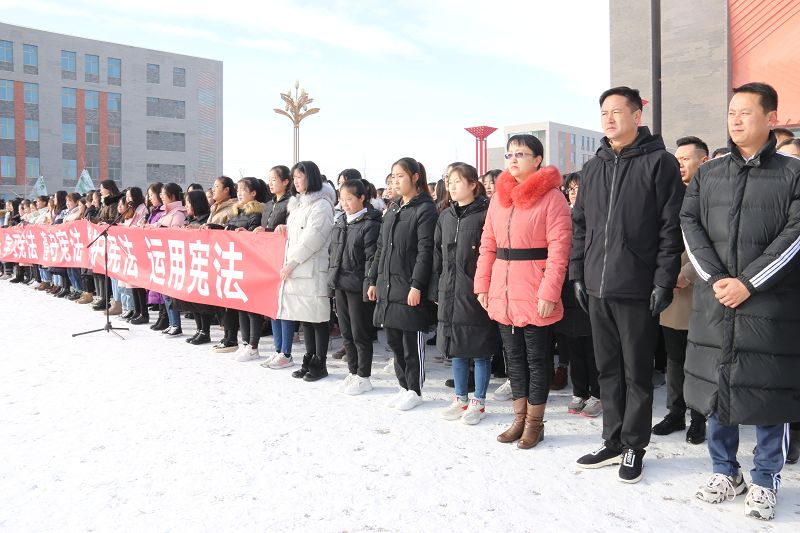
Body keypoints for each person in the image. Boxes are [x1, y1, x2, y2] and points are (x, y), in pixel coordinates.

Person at [682, 82, 800, 521]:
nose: (735, 119)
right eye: (732, 111)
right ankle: (724, 471)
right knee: (718, 388)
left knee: (770, 393)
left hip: (770, 305)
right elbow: (689, 222)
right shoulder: (710, 172)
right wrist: (717, 279)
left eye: (745, 112)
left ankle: (766, 478)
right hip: (716, 301)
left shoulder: (792, 173)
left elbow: (796, 235)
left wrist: (749, 283)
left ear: (771, 117)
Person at [570, 86, 684, 483]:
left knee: (636, 372)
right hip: (596, 286)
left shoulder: (660, 162)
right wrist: (578, 273)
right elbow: (580, 225)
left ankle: (635, 444)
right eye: (604, 112)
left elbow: (671, 228)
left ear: (637, 115)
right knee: (607, 370)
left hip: (637, 286)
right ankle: (613, 439)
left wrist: (663, 281)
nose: (609, 118)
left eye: (617, 111)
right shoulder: (593, 167)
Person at [475, 134, 572, 447]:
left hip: (534, 287)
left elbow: (559, 249)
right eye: (509, 154)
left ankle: (534, 423)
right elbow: (488, 244)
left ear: (537, 160)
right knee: (513, 358)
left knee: (537, 359)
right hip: (503, 288)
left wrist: (549, 291)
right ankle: (519, 419)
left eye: (521, 154)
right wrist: (482, 283)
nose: (513, 159)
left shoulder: (552, 198)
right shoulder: (499, 198)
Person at [367, 157, 437, 411]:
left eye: (400, 176)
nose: (395, 181)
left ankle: (415, 389)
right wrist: (373, 279)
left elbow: (425, 251)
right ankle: (403, 386)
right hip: (388, 285)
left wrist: (417, 285)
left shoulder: (425, 209)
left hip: (409, 286)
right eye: (393, 176)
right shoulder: (394, 208)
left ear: (415, 177)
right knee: (394, 341)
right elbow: (381, 248)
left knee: (411, 343)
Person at [652, 136, 708, 444]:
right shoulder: (670, 195)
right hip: (672, 290)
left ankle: (699, 417)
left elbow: (717, 244)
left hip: (702, 288)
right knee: (674, 357)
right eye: (677, 160)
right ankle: (675, 412)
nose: (680, 164)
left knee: (699, 359)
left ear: (704, 161)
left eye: (686, 159)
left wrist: (687, 273)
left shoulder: (713, 197)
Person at [434, 163, 497, 424]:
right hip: (450, 290)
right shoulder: (445, 216)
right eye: (449, 181)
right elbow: (438, 256)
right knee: (456, 348)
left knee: (480, 350)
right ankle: (460, 398)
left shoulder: (486, 213)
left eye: (458, 181)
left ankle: (478, 402)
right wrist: (438, 288)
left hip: (476, 292)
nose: (452, 186)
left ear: (473, 184)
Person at [272, 161, 335, 381]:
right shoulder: (299, 205)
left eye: (299, 177)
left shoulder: (322, 205)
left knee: (318, 319)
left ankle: (320, 363)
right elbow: (297, 233)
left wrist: (291, 263)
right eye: (294, 177)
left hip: (312, 269)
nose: (296, 181)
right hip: (298, 270)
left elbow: (313, 239)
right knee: (305, 318)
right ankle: (308, 359)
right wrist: (284, 228)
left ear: (311, 177)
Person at [328, 178, 381, 394]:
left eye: (349, 199)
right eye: (342, 199)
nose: (345, 204)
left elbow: (372, 258)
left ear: (362, 198)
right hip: (340, 283)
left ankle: (364, 376)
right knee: (346, 332)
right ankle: (353, 372)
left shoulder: (370, 224)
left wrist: (370, 283)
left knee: (360, 333)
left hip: (358, 286)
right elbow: (334, 253)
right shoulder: (341, 221)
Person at [557, 172, 601, 418]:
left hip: (590, 284)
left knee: (593, 346)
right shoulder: (563, 214)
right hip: (567, 287)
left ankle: (597, 394)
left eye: (578, 188)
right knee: (573, 343)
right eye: (570, 189)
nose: (574, 193)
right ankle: (579, 391)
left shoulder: (595, 214)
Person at [255, 166, 296, 367]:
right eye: (269, 179)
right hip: (268, 260)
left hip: (284, 259)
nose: (270, 183)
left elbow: (294, 230)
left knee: (284, 306)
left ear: (286, 181)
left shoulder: (292, 203)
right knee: (272, 306)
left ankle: (286, 352)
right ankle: (278, 349)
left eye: (274, 179)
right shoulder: (268, 205)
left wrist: (278, 229)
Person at [227, 177, 267, 361]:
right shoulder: (235, 212)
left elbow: (256, 238)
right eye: (238, 190)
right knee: (240, 306)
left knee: (252, 308)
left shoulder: (256, 212)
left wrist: (246, 234)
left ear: (253, 193)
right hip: (236, 263)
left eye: (243, 190)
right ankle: (244, 342)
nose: (239, 193)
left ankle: (253, 346)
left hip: (250, 265)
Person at [153, 183, 187, 336]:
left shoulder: (178, 213)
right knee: (165, 292)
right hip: (163, 255)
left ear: (172, 196)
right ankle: (172, 323)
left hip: (173, 257)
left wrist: (161, 230)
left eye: (163, 194)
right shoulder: (166, 212)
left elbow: (176, 235)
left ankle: (176, 324)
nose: (161, 196)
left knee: (171, 293)